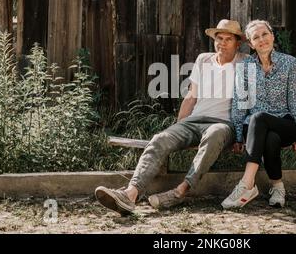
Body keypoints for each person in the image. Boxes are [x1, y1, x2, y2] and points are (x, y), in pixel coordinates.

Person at [95, 19, 247, 215]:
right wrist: (178, 128)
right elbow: (191, 96)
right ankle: (129, 195)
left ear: (237, 43)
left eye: (228, 39)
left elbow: (246, 104)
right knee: (160, 139)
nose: (222, 43)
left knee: (215, 133)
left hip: (223, 125)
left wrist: (241, 135)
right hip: (194, 120)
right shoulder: (203, 59)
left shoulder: (245, 63)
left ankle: (179, 192)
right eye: (219, 38)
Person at [221, 20, 296, 210]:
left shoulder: (290, 63)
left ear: (272, 36)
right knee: (269, 136)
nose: (261, 40)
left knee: (260, 117)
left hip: (284, 123)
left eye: (264, 34)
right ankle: (278, 187)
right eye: (256, 37)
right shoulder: (245, 67)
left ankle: (246, 184)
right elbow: (240, 103)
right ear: (251, 44)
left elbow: (295, 102)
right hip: (255, 128)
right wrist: (237, 135)